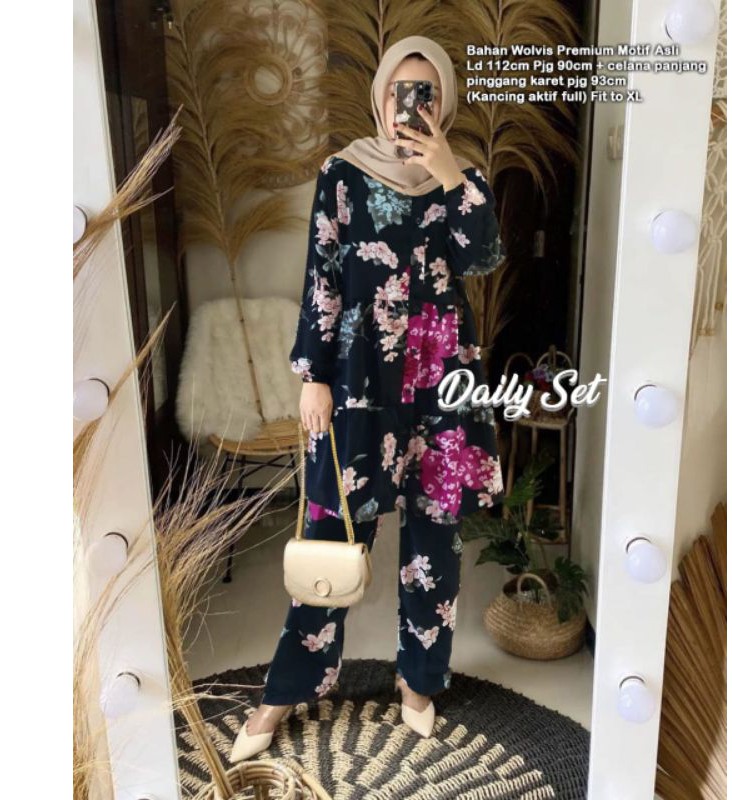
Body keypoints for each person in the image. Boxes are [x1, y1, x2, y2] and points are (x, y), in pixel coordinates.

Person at [231, 35, 506, 763]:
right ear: (380, 96)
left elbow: (482, 256)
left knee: (435, 537)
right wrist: (311, 374)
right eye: (398, 91)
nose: (409, 106)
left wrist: (448, 173)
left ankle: (419, 680)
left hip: (441, 378)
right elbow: (322, 273)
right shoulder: (343, 174)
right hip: (358, 378)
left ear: (443, 103)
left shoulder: (462, 180)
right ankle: (288, 687)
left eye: (426, 93)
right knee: (333, 526)